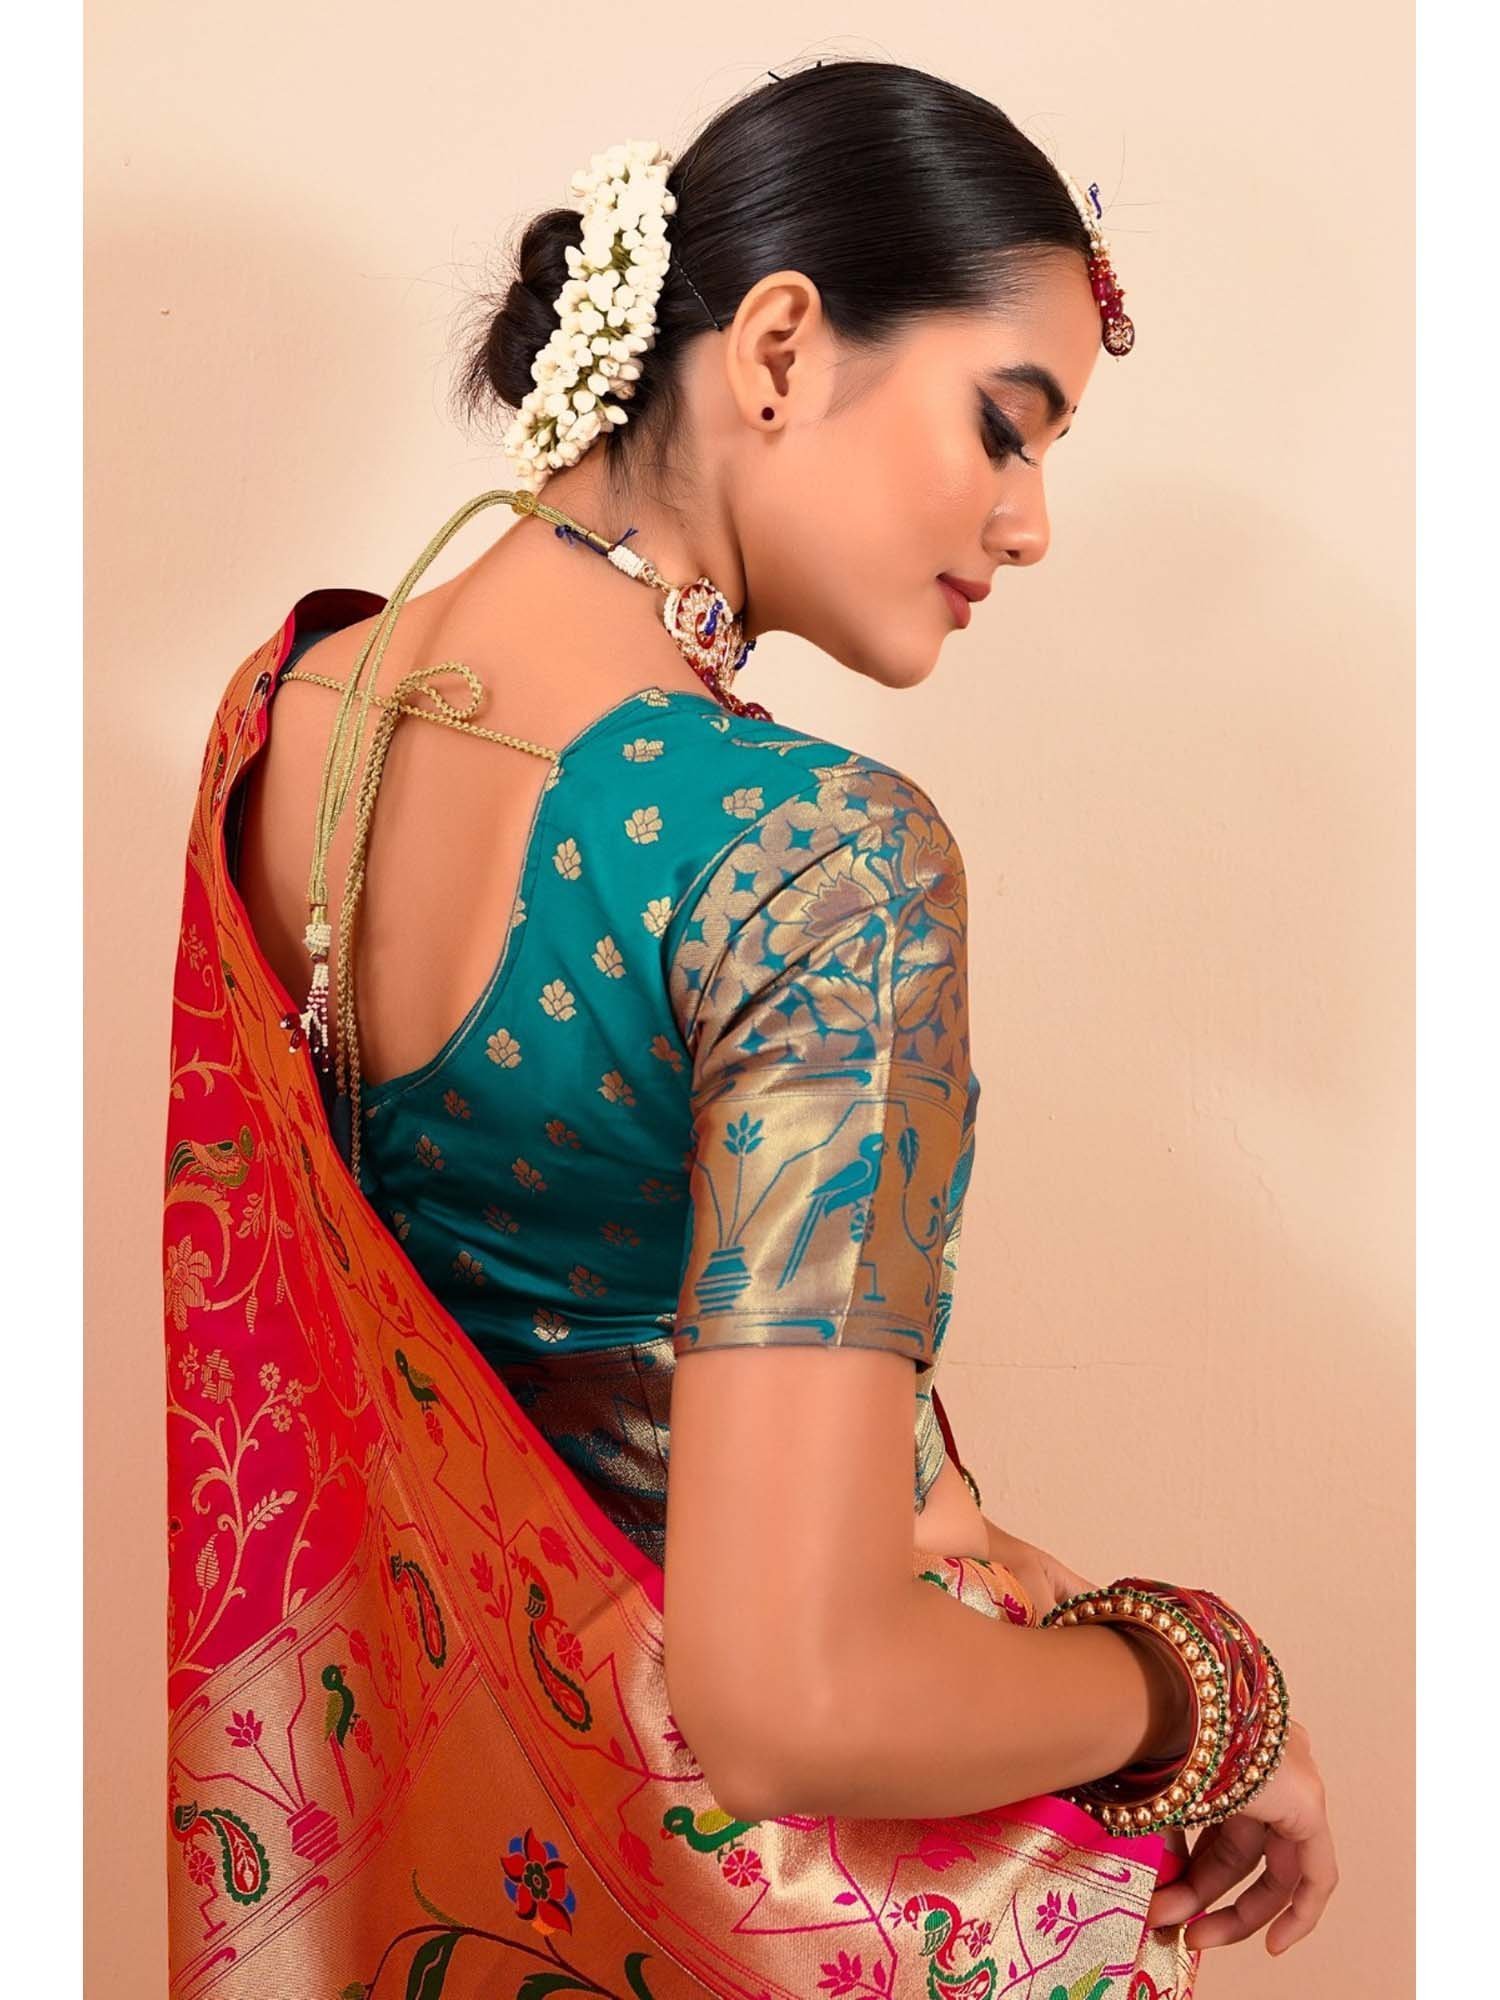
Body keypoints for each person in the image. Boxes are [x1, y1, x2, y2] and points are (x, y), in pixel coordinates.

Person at [161, 58, 1336, 1997]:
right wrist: (1199, 1688)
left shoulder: (291, 714)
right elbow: (799, 1698)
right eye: (1006, 426)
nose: (1031, 523)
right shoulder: (813, 858)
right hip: (768, 1913)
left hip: (462, 1853)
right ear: (779, 347)